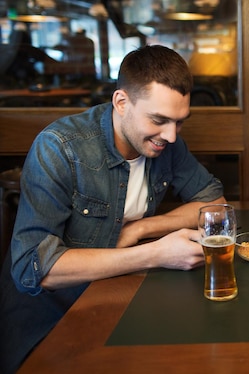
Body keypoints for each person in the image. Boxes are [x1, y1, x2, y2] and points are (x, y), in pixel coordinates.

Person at [0, 45, 226, 373]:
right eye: (159, 120)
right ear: (121, 103)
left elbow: (213, 203)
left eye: (179, 122)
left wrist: (142, 229)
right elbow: (35, 267)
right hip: (48, 324)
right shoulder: (59, 148)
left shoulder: (165, 142)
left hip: (117, 305)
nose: (172, 135)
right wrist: (156, 254)